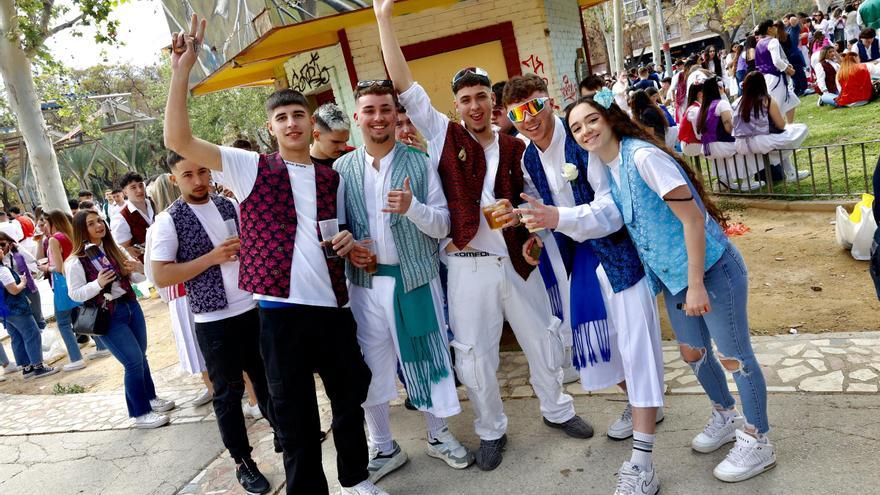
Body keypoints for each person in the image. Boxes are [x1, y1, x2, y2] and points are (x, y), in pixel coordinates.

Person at [374, 0, 592, 472]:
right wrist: (383, 19)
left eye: (481, 97)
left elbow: (536, 199)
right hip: (467, 267)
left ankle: (557, 410)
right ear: (456, 105)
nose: (475, 105)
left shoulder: (516, 146)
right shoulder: (442, 136)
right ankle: (491, 430)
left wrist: (524, 219)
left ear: (493, 102)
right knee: (474, 358)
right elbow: (404, 86)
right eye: (466, 99)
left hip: (517, 261)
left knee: (542, 339)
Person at [163, 15, 375, 495]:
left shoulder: (331, 177)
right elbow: (178, 140)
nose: (292, 123)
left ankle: (358, 480)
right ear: (272, 128)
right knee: (296, 419)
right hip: (281, 315)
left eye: (299, 115)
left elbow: (339, 233)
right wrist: (183, 71)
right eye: (281, 118)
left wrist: (349, 244)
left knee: (349, 402)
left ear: (311, 123)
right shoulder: (249, 168)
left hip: (335, 310)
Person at [566, 94, 775, 484]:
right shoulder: (609, 167)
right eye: (576, 127)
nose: (585, 131)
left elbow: (693, 220)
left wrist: (696, 284)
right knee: (693, 353)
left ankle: (759, 438)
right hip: (676, 279)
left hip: (711, 270)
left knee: (734, 357)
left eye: (591, 120)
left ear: (610, 118)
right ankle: (725, 414)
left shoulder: (643, 157)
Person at [504, 77, 665, 495]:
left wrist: (558, 219)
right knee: (604, 341)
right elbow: (540, 207)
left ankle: (654, 450)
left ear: (549, 102)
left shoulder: (581, 138)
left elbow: (611, 209)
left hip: (616, 252)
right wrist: (535, 236)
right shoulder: (528, 159)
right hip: (576, 256)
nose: (529, 119)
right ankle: (638, 404)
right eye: (517, 113)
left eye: (535, 106)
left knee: (635, 344)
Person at [335, 81, 473, 482]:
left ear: (397, 115)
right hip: (364, 285)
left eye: (385, 109)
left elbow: (444, 224)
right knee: (371, 368)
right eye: (370, 110)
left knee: (429, 359)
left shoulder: (419, 161)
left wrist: (413, 208)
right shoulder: (342, 170)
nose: (378, 117)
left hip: (414, 280)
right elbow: (336, 228)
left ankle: (438, 435)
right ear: (357, 117)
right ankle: (383, 446)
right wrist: (346, 244)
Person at [150, 151, 276, 494]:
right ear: (174, 179)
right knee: (228, 392)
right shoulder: (169, 220)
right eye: (188, 174)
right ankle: (243, 461)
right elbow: (160, 275)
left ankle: (280, 432)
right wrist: (211, 258)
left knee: (265, 378)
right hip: (213, 318)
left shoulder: (227, 205)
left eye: (203, 171)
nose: (199, 180)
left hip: (250, 306)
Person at [65, 211, 175, 428]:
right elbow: (74, 294)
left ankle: (150, 398)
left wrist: (137, 268)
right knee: (132, 361)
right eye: (91, 223)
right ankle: (140, 413)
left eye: (99, 221)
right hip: (108, 314)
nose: (98, 225)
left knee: (141, 356)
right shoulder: (76, 261)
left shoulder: (115, 248)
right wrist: (97, 284)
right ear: (81, 230)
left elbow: (140, 278)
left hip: (131, 306)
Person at [732, 71, 810, 183]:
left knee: (778, 139)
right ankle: (791, 172)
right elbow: (781, 124)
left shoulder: (736, 102)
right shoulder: (766, 99)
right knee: (799, 129)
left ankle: (789, 171)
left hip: (740, 144)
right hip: (760, 142)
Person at [0, 232, 56, 379]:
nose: (1, 249)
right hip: (16, 307)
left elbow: (33, 262)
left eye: (2, 245)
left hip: (4, 310)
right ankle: (38, 366)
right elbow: (13, 290)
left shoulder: (16, 255)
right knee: (32, 333)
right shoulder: (3, 270)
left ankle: (26, 368)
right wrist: (23, 283)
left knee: (16, 336)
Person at [37, 210, 87, 372]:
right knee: (83, 315)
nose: (43, 227)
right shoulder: (70, 234)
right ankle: (101, 347)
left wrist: (46, 268)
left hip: (63, 285)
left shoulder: (54, 239)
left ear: (53, 222)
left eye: (45, 223)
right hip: (77, 279)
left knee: (64, 323)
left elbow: (59, 268)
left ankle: (76, 358)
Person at [696, 77, 745, 190]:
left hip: (707, 147)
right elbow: (729, 128)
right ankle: (747, 180)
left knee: (722, 157)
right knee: (746, 144)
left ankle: (722, 182)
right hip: (722, 144)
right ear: (717, 89)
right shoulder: (721, 104)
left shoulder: (702, 107)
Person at [755, 20, 800, 123]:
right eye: (774, 26)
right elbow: (776, 61)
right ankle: (776, 131)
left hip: (767, 77)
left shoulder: (759, 43)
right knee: (776, 106)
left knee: (791, 100)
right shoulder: (773, 41)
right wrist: (788, 70)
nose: (776, 28)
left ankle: (790, 126)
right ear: (769, 29)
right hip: (775, 77)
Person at [112, 172, 156, 262]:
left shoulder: (155, 203)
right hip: (147, 266)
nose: (139, 190)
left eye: (141, 185)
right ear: (125, 192)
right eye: (133, 187)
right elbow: (124, 251)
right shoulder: (122, 218)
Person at [310, 102, 354, 167]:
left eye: (345, 141)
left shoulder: (352, 156)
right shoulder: (303, 168)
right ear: (316, 136)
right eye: (335, 142)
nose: (343, 148)